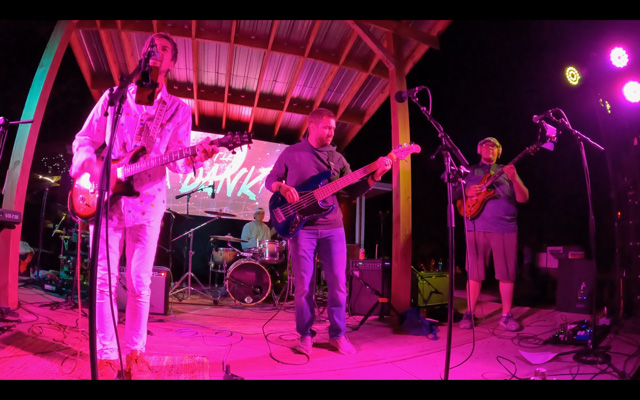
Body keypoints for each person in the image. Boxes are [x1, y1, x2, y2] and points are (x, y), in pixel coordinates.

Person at [70, 32, 219, 380]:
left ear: (172, 62)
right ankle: (107, 355)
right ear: (142, 54)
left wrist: (199, 156)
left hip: (148, 204)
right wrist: (88, 165)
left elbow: (178, 161)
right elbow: (85, 138)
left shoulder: (178, 109)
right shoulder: (115, 97)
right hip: (106, 201)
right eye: (152, 45)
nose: (156, 50)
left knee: (139, 283)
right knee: (103, 281)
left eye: (164, 48)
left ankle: (136, 354)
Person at [265, 107, 391, 356]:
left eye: (334, 128)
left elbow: (351, 191)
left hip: (333, 228)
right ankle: (305, 335)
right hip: (301, 229)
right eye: (327, 127)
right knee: (304, 286)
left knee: (338, 284)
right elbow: (270, 180)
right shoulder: (292, 153)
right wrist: (282, 188)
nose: (332, 132)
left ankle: (337, 335)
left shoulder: (338, 160)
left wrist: (375, 175)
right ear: (312, 127)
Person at [456, 137, 529, 332]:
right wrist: (466, 191)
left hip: (505, 228)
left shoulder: (506, 171)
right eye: (485, 145)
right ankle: (469, 313)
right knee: (474, 273)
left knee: (506, 274)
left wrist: (514, 178)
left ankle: (506, 316)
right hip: (475, 226)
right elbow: (455, 195)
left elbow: (523, 198)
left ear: (499, 151)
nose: (489, 148)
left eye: (494, 146)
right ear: (478, 149)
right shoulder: (469, 171)